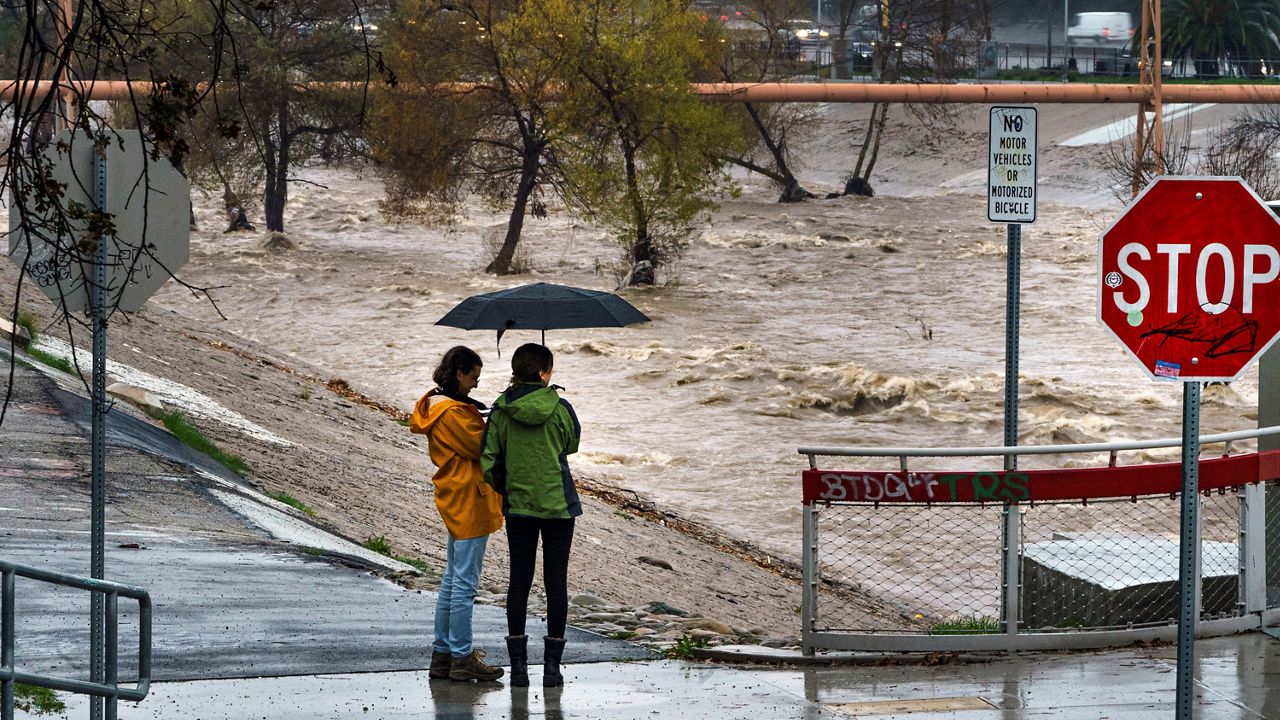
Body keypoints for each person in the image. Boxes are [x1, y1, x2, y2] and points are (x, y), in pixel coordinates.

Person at [481, 343, 581, 688]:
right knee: (556, 582)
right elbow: (571, 445)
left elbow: (489, 460)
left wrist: (509, 490)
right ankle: (552, 669)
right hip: (558, 506)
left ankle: (519, 669)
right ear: (542, 373)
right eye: (549, 368)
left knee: (519, 581)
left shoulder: (500, 410)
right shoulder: (561, 408)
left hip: (519, 507)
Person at [410, 346, 505, 683]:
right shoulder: (453, 413)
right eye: (473, 378)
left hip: (455, 492)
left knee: (452, 581)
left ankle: (443, 655)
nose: (476, 386)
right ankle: (462, 656)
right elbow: (482, 446)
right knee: (464, 584)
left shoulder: (437, 404)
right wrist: (498, 418)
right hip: (469, 497)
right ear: (460, 373)